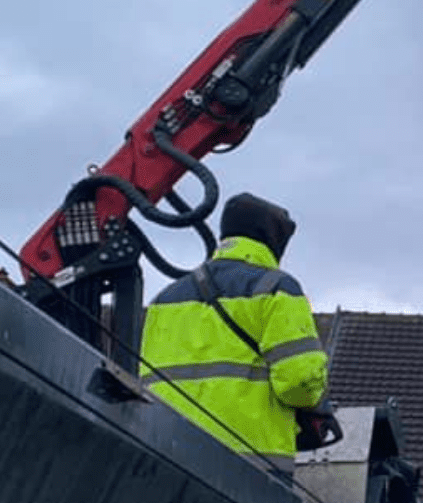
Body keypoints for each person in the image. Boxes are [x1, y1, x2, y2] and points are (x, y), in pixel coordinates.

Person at [139, 192, 329, 472]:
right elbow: (299, 383)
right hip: (249, 466)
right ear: (272, 239)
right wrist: (316, 403)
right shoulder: (276, 288)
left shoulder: (163, 300)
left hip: (166, 458)